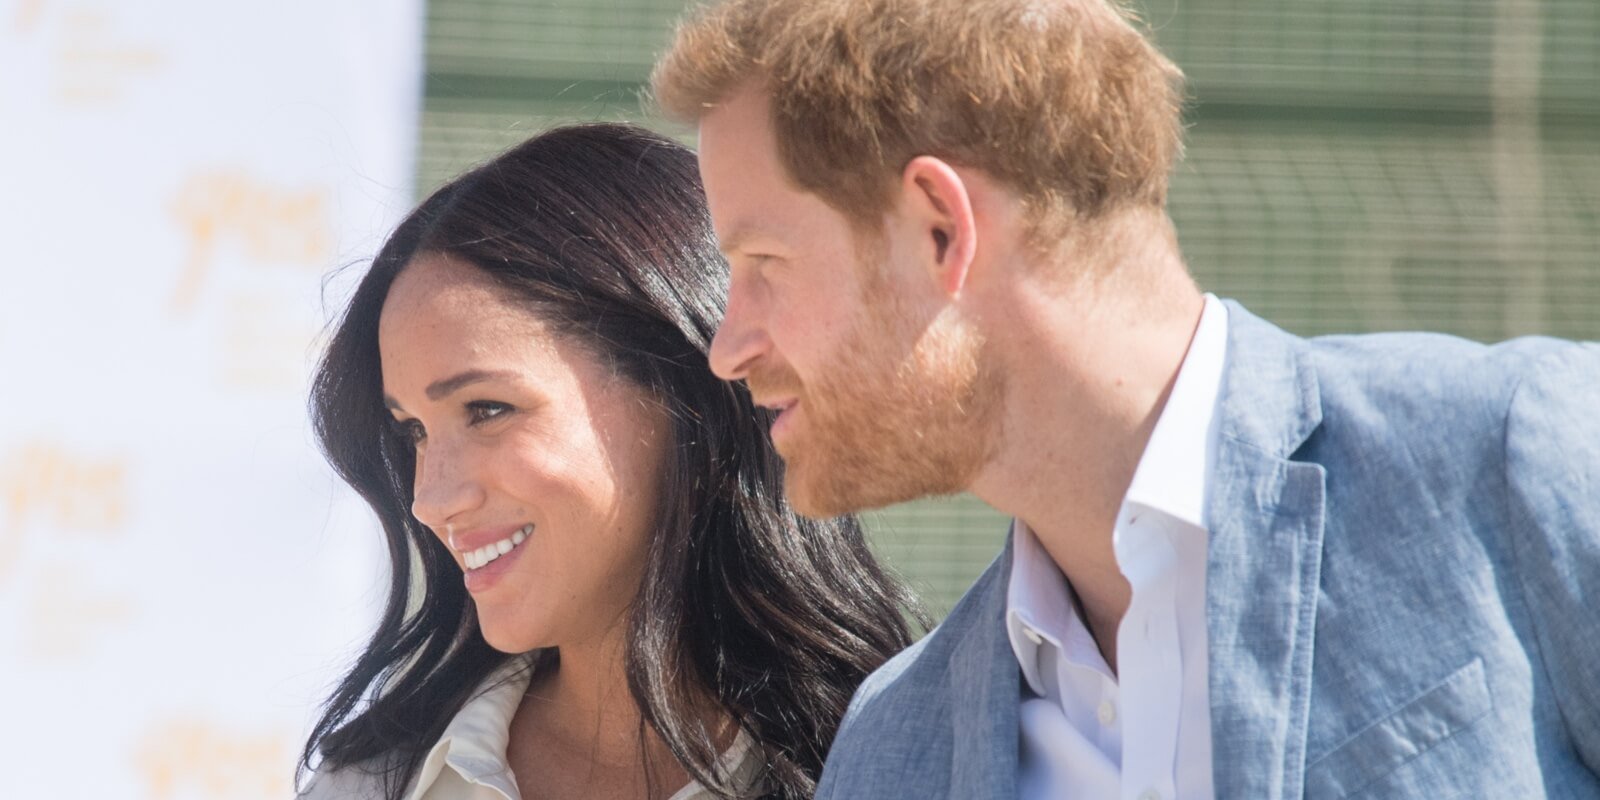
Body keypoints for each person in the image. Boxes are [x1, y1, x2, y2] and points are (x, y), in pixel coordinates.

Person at [651, 1, 1600, 797]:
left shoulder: (1519, 461)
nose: (729, 349)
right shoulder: (894, 750)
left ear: (940, 230)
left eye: (763, 263)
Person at [295, 123, 923, 800]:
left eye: (487, 410)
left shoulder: (916, 761)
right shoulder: (368, 784)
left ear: (681, 390)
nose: (431, 497)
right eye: (414, 430)